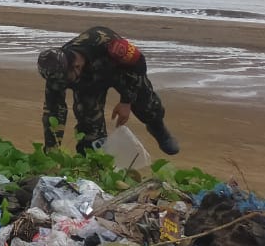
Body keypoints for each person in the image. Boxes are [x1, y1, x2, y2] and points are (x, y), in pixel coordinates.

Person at [37, 25, 180, 156]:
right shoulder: (56, 72)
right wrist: (52, 152)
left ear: (76, 66)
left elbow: (139, 63)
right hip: (89, 86)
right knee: (89, 128)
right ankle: (95, 164)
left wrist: (126, 101)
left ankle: (159, 130)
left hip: (122, 73)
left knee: (147, 105)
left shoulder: (106, 42)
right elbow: (54, 112)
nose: (63, 85)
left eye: (67, 81)